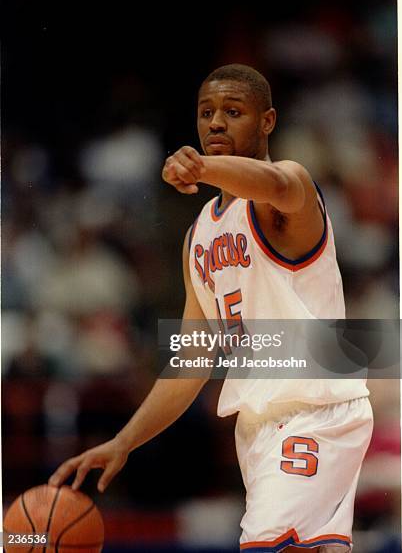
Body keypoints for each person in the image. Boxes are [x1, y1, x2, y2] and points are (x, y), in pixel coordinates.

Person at [49, 64, 373, 552]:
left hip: (315, 414)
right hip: (258, 430)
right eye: (206, 113)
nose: (216, 123)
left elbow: (272, 183)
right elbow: (192, 361)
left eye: (233, 112)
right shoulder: (198, 234)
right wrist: (124, 441)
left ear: (267, 122)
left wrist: (201, 168)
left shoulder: (290, 188)